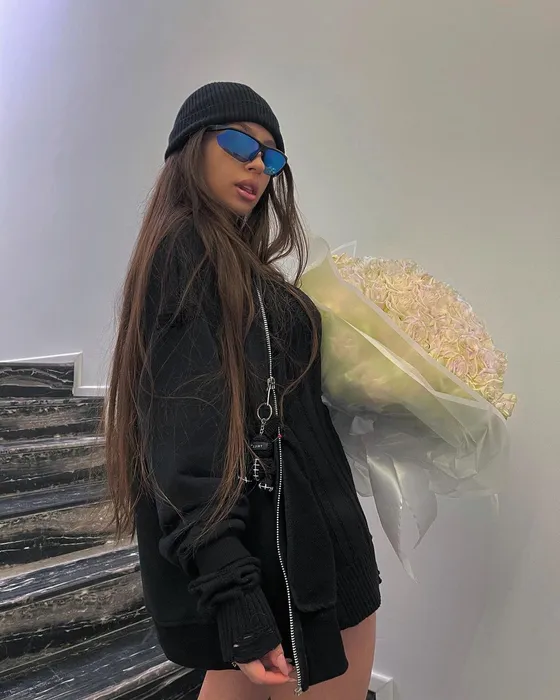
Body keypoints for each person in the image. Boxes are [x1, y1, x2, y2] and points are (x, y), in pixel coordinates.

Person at [104, 82, 381, 699]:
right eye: (238, 143)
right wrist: (233, 592)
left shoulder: (232, 262)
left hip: (297, 545)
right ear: (190, 147)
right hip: (286, 556)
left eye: (271, 155)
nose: (258, 164)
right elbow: (185, 443)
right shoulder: (188, 251)